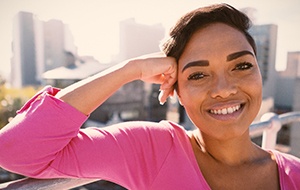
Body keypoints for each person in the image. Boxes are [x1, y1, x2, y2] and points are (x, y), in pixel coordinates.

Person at [0, 3, 299, 189]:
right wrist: (130, 69)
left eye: (242, 66)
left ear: (261, 73)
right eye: (197, 74)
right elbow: (16, 150)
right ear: (176, 91)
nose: (223, 88)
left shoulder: (294, 175)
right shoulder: (152, 150)